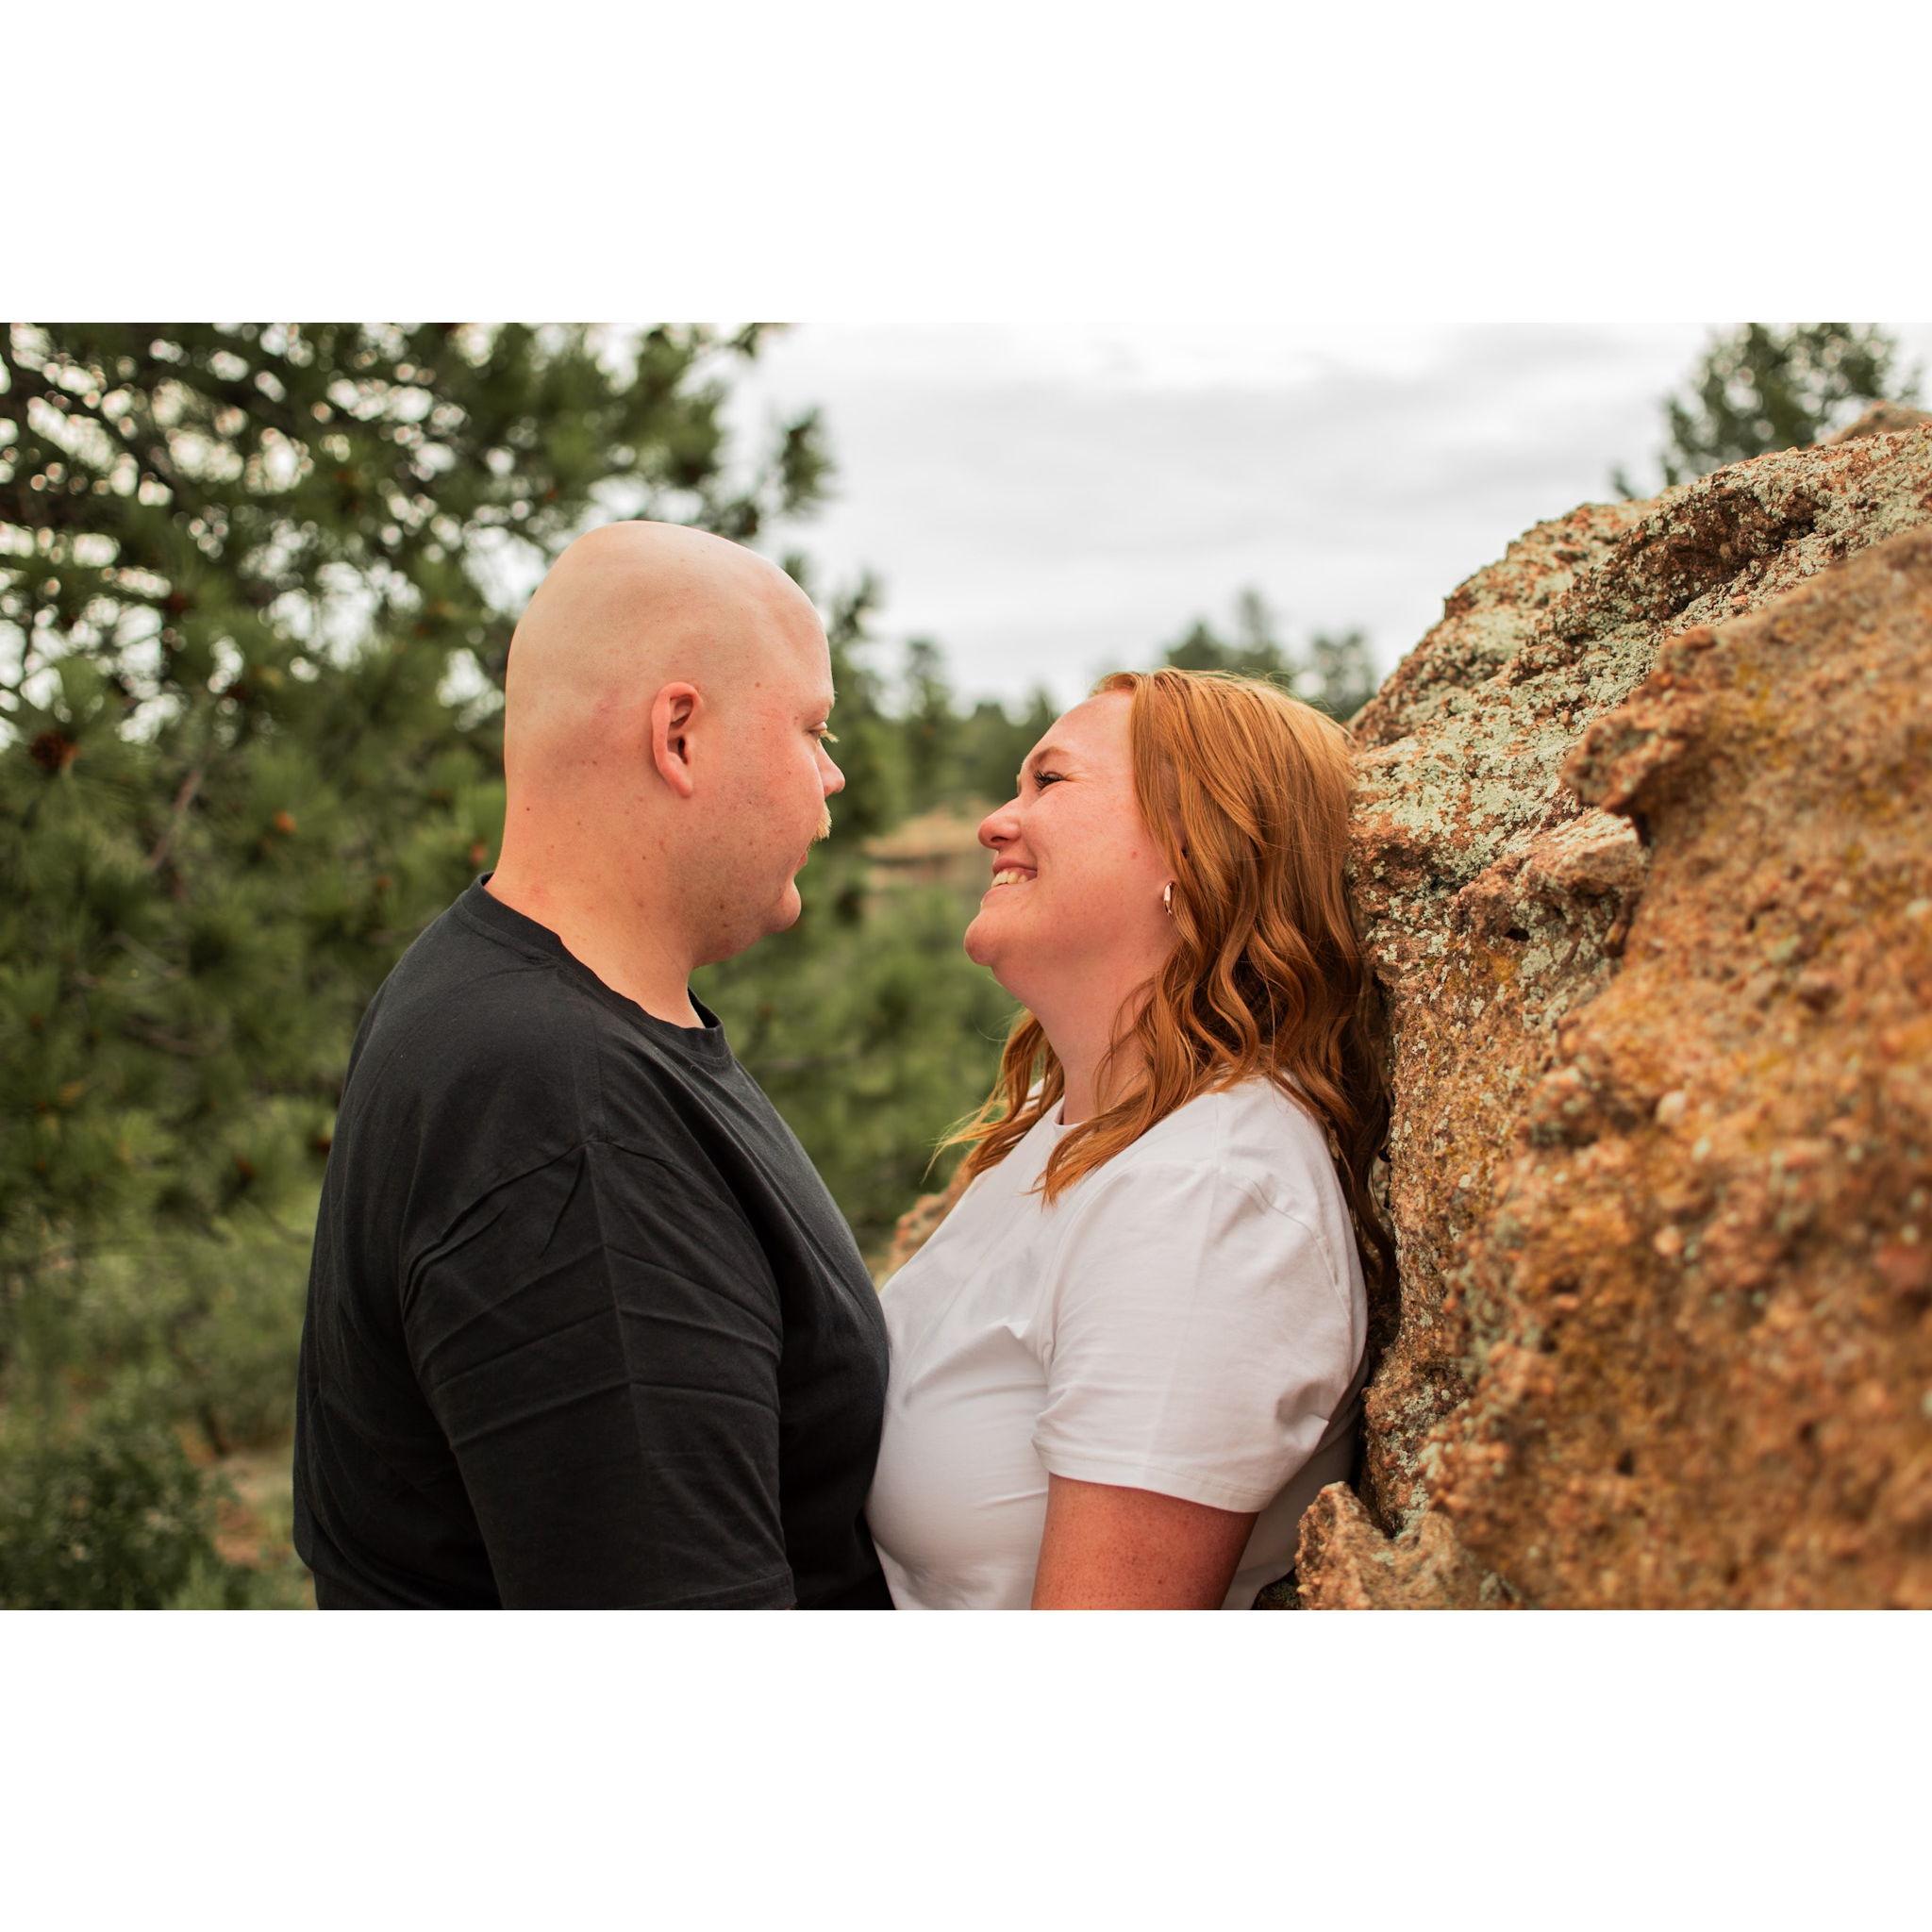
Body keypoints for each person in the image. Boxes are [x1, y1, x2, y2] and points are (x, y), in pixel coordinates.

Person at [293, 521, 892, 1608]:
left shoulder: (499, 995)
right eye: (810, 727)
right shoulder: (565, 1107)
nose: (832, 775)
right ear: (679, 736)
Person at [866, 668, 1394, 1609]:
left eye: (1049, 782)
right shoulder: (1067, 1138)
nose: (994, 820)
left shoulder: (1205, 1195)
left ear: (1195, 851)